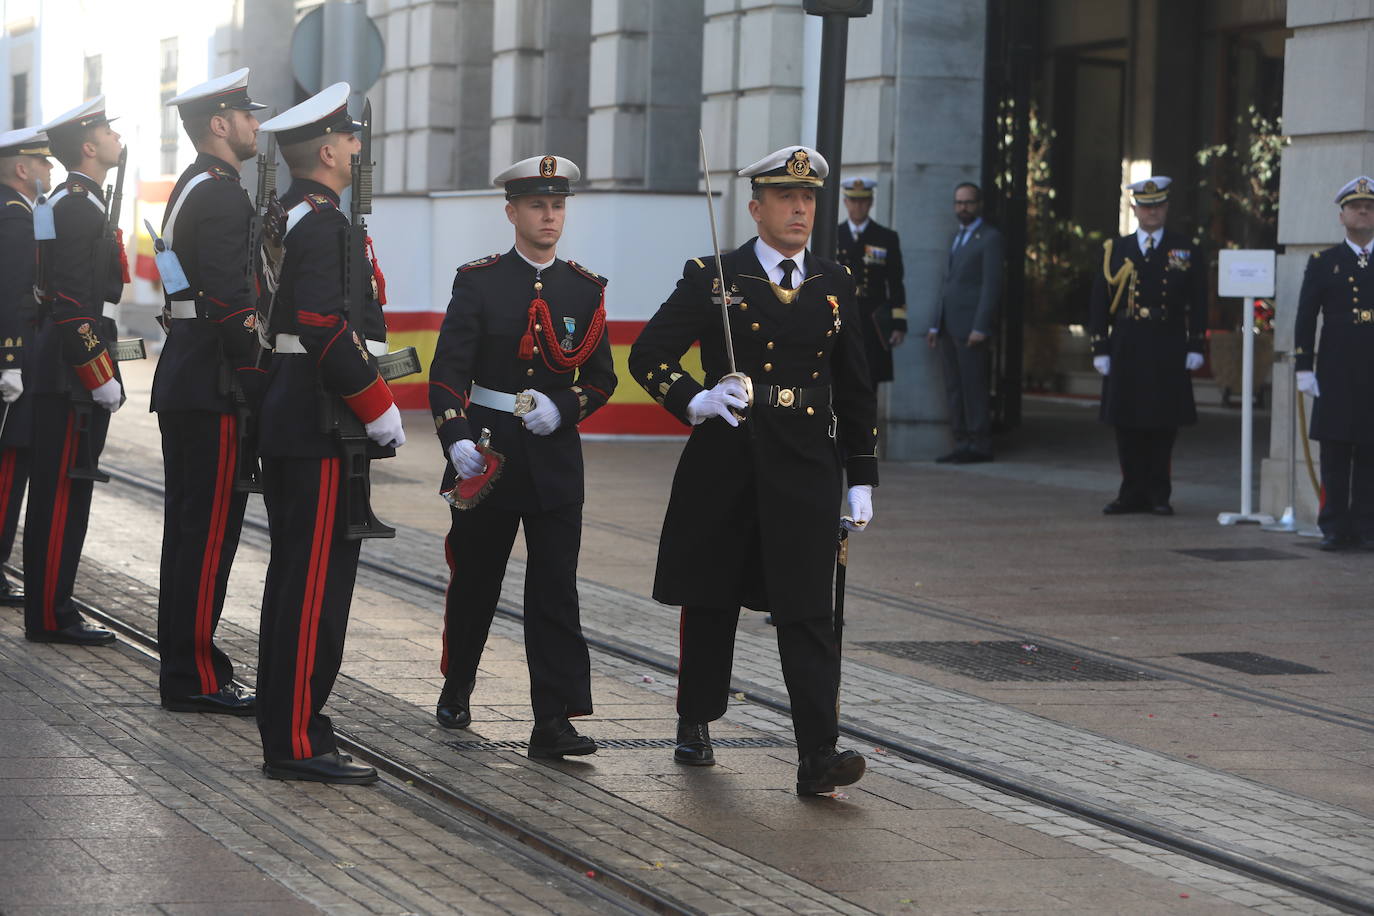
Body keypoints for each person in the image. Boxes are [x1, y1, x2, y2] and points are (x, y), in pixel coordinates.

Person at [628, 146, 877, 796]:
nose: (800, 209)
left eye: (809, 199)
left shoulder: (834, 284)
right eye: (786, 199)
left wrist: (861, 475)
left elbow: (855, 387)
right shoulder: (717, 275)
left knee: (807, 610)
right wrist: (697, 399)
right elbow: (650, 353)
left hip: (804, 463)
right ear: (756, 207)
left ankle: (818, 754)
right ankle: (696, 717)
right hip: (729, 457)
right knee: (711, 596)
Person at [429, 154, 616, 759]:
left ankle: (553, 720)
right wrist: (454, 435)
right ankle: (458, 684)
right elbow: (447, 370)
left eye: (558, 205)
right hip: (488, 452)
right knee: (477, 577)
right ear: (512, 212)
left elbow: (602, 378)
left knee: (555, 586)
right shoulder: (480, 281)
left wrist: (566, 407)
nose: (549, 216)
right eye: (537, 205)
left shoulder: (583, 289)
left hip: (554, 457)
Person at [254, 83, 406, 784]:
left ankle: (301, 723)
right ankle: (294, 739)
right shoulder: (322, 224)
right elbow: (321, 327)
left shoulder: (292, 215)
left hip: (296, 414)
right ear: (325, 149)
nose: (357, 147)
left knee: (297, 580)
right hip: (320, 421)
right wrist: (378, 406)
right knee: (311, 586)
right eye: (349, 138)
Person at [152, 69, 268, 715]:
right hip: (213, 385)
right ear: (219, 125)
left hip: (187, 375)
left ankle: (186, 668)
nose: (255, 125)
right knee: (207, 535)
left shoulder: (192, 183)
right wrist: (261, 381)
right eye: (246, 115)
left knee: (192, 530)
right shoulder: (223, 196)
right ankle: (194, 675)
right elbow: (231, 306)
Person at [23, 98, 127, 646]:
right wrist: (98, 372)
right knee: (62, 492)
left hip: (66, 364)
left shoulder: (75, 201)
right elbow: (69, 303)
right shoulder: (78, 207)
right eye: (107, 130)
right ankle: (49, 615)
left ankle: (53, 607)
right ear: (88, 146)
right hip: (69, 369)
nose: (115, 137)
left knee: (66, 488)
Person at [1088, 176, 1206, 516]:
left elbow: (1197, 300)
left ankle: (1158, 493)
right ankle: (1131, 492)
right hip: (1127, 340)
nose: (1151, 212)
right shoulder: (1116, 249)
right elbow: (1099, 301)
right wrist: (1100, 347)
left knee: (1163, 420)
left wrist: (1196, 342)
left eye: (1158, 206)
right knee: (1126, 421)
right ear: (1134, 208)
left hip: (1167, 341)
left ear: (1166, 208)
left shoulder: (1185, 248)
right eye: (1145, 206)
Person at [1294, 176, 1374, 551]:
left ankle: (1366, 526)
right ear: (1341, 216)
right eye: (1355, 207)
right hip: (1337, 368)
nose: (1363, 211)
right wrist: (1303, 367)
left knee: (1371, 451)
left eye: (1369, 207)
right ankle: (1334, 527)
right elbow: (1306, 315)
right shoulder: (1324, 262)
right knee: (1336, 450)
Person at [0, 126, 52, 607]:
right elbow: (14, 297)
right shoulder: (16, 216)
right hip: (10, 363)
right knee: (7, 468)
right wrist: (11, 361)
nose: (49, 171)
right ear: (22, 168)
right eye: (43, 164)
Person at [928, 182, 1002, 463]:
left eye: (968, 202)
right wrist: (936, 324)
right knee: (955, 388)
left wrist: (981, 327)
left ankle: (980, 444)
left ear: (978, 204)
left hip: (972, 328)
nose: (963, 208)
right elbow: (947, 285)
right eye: (958, 203)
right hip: (949, 327)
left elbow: (991, 286)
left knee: (974, 387)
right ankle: (961, 442)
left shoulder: (990, 238)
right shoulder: (957, 237)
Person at [835, 177, 906, 386]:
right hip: (841, 313)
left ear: (871, 202)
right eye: (854, 201)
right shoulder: (834, 234)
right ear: (846, 202)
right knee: (839, 377)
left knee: (869, 379)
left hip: (873, 318)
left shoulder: (886, 237)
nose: (858, 206)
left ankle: (868, 421)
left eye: (863, 201)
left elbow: (895, 282)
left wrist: (898, 323)